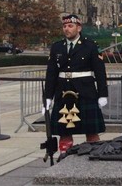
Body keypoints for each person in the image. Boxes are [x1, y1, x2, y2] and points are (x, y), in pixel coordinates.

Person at [43, 14, 108, 161]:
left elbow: (100, 72)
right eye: (64, 26)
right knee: (64, 130)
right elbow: (51, 74)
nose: (67, 29)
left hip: (86, 93)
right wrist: (47, 97)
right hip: (64, 94)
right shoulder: (57, 47)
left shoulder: (90, 45)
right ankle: (64, 156)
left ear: (79, 28)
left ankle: (94, 155)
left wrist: (103, 94)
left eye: (70, 26)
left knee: (91, 130)